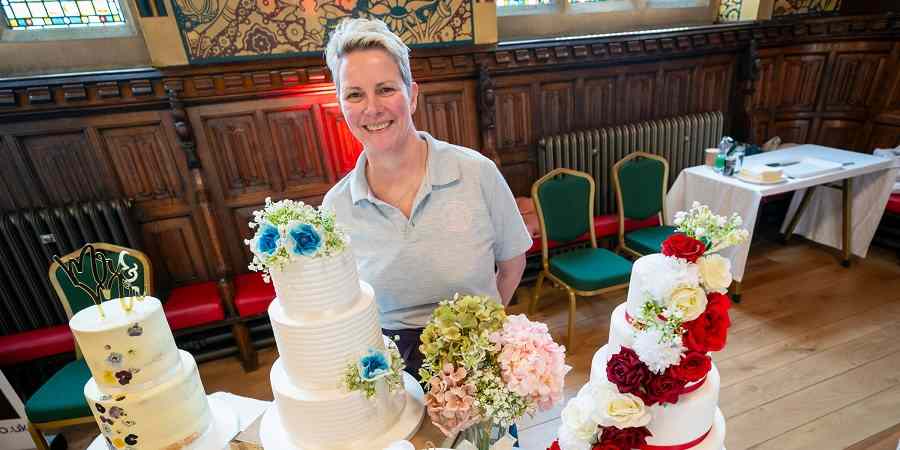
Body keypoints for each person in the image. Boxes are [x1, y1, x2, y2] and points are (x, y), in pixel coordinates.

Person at [322, 18, 532, 377]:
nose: (371, 108)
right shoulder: (335, 209)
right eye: (355, 94)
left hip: (478, 359)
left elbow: (512, 266)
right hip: (391, 371)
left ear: (413, 95)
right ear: (341, 106)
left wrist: (480, 337)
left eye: (385, 89)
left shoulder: (477, 173)